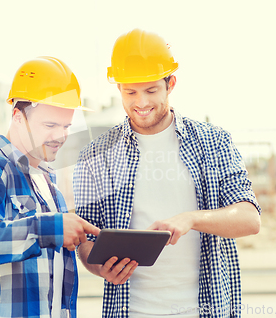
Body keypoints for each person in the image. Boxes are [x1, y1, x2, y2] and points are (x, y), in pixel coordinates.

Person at [74, 29, 261, 318]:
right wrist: (99, 267)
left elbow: (249, 219)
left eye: (151, 91)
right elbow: (86, 240)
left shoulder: (213, 142)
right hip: (131, 310)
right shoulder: (95, 156)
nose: (141, 103)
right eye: (130, 92)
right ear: (118, 88)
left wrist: (191, 218)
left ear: (170, 83)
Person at [0, 56, 100, 318]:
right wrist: (48, 228)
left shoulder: (48, 181)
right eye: (50, 125)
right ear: (18, 116)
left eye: (66, 125)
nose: (61, 136)